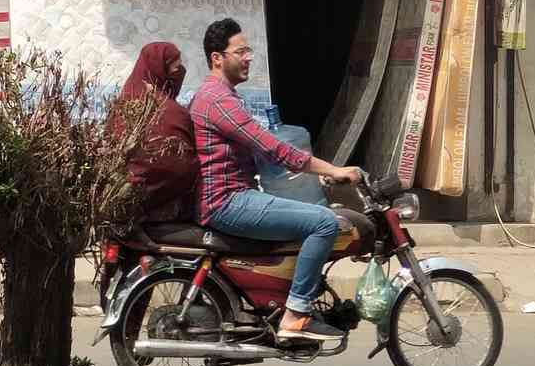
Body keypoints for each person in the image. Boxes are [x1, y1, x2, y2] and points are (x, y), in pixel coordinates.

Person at [190, 18, 361, 343]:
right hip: (227, 202)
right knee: (325, 223)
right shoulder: (218, 100)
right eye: (240, 52)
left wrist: (315, 178)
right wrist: (333, 170)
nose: (248, 58)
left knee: (310, 216)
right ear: (217, 58)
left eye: (249, 51)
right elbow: (273, 148)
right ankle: (295, 315)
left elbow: (263, 155)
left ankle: (284, 299)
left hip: (234, 196)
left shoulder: (222, 96)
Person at [118, 41, 199, 222]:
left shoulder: (122, 103)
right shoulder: (171, 112)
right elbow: (182, 168)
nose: (180, 73)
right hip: (164, 208)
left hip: (123, 201)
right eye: (176, 68)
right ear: (159, 71)